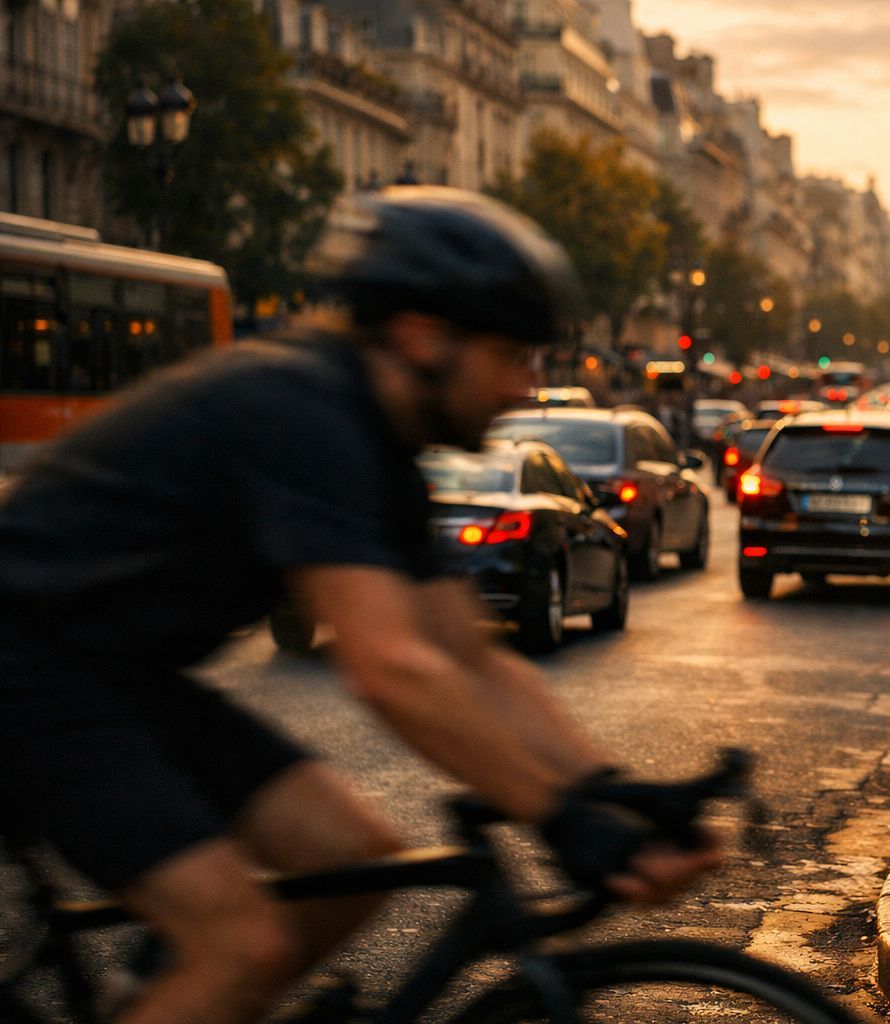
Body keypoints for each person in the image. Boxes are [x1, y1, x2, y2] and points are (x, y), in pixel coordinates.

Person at [0, 187, 719, 1024]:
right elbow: (392, 670)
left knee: (352, 862)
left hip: (118, 677)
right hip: (26, 673)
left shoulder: (385, 448)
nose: (527, 389)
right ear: (422, 336)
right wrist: (558, 817)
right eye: (514, 356)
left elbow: (469, 654)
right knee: (243, 944)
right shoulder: (302, 409)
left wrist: (606, 785)